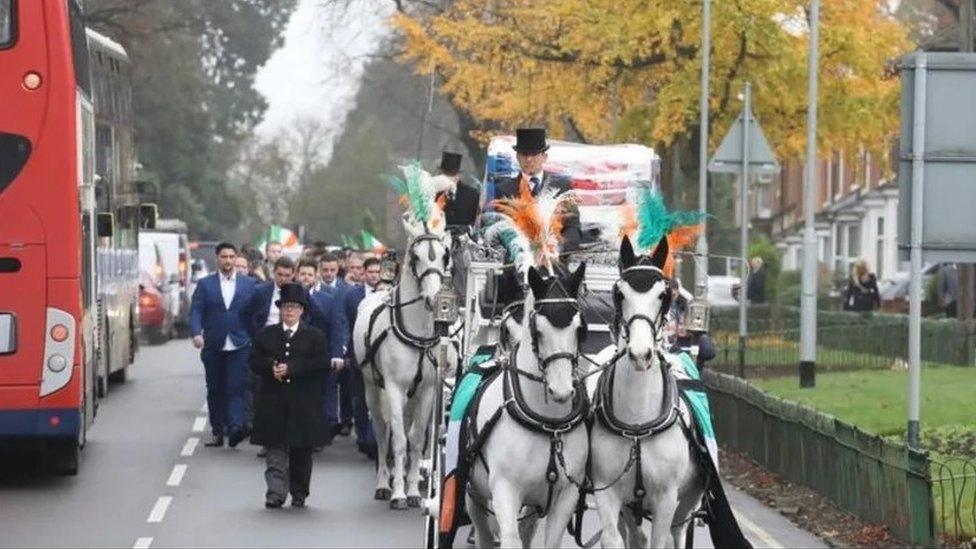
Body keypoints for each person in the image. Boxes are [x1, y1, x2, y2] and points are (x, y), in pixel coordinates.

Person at [249, 283, 330, 508]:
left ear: (302, 310)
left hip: (303, 403)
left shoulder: (315, 337)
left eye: (294, 307)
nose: (290, 311)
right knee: (275, 449)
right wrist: (270, 367)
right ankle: (275, 492)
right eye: (286, 307)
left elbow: (322, 364)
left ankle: (299, 491)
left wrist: (293, 368)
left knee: (301, 452)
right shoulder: (266, 335)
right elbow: (253, 361)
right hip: (273, 401)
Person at [189, 243, 258, 448]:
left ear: (236, 259)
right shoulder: (205, 284)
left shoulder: (249, 284)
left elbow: (256, 312)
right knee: (215, 388)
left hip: (240, 342)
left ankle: (236, 427)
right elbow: (196, 311)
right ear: (217, 259)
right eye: (223, 257)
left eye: (231, 257)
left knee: (236, 386)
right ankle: (218, 431)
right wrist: (196, 333)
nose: (227, 261)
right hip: (213, 343)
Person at [489, 127, 582, 251]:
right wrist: (521, 247)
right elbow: (503, 229)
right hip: (519, 260)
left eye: (534, 154)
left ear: (544, 156)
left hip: (555, 261)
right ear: (517, 157)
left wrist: (559, 246)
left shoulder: (561, 187)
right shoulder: (505, 189)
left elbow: (573, 227)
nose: (529, 159)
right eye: (524, 154)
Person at [296, 259, 349, 445]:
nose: (306, 278)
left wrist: (337, 354)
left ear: (316, 275)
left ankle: (323, 429)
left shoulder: (329, 296)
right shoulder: (289, 295)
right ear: (297, 274)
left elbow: (334, 325)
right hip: (297, 354)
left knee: (323, 392)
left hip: (321, 353)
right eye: (302, 274)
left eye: (309, 274)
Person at [342, 256, 382, 459]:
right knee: (360, 397)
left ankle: (374, 438)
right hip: (358, 354)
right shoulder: (351, 296)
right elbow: (345, 324)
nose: (375, 276)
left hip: (382, 357)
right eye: (371, 272)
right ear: (364, 274)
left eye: (378, 272)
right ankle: (363, 436)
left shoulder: (389, 295)